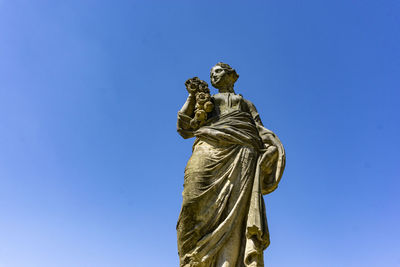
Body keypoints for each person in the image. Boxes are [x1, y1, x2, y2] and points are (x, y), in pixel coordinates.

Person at [176, 62, 285, 267]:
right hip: (208, 147)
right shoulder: (208, 101)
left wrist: (271, 147)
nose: (213, 75)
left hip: (243, 152)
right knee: (191, 202)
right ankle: (192, 259)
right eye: (211, 73)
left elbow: (261, 131)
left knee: (235, 215)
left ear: (231, 75)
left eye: (217, 71)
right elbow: (183, 127)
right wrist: (192, 97)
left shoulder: (246, 104)